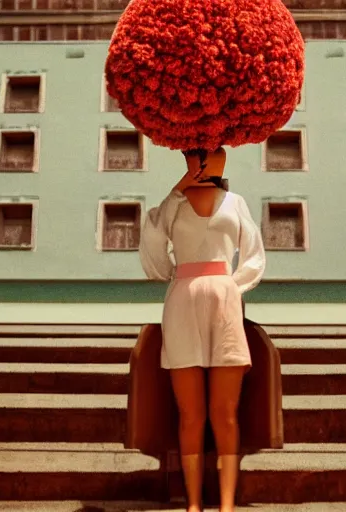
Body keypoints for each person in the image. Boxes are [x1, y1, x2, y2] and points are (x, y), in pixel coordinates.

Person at [138, 147, 266, 512]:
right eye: (197, 154)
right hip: (181, 306)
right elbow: (151, 238)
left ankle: (226, 504)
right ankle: (193, 503)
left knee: (224, 411)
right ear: (187, 159)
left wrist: (230, 286)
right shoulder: (173, 205)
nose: (205, 160)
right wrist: (176, 189)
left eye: (212, 153)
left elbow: (254, 254)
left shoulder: (236, 202)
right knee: (190, 413)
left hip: (223, 307)